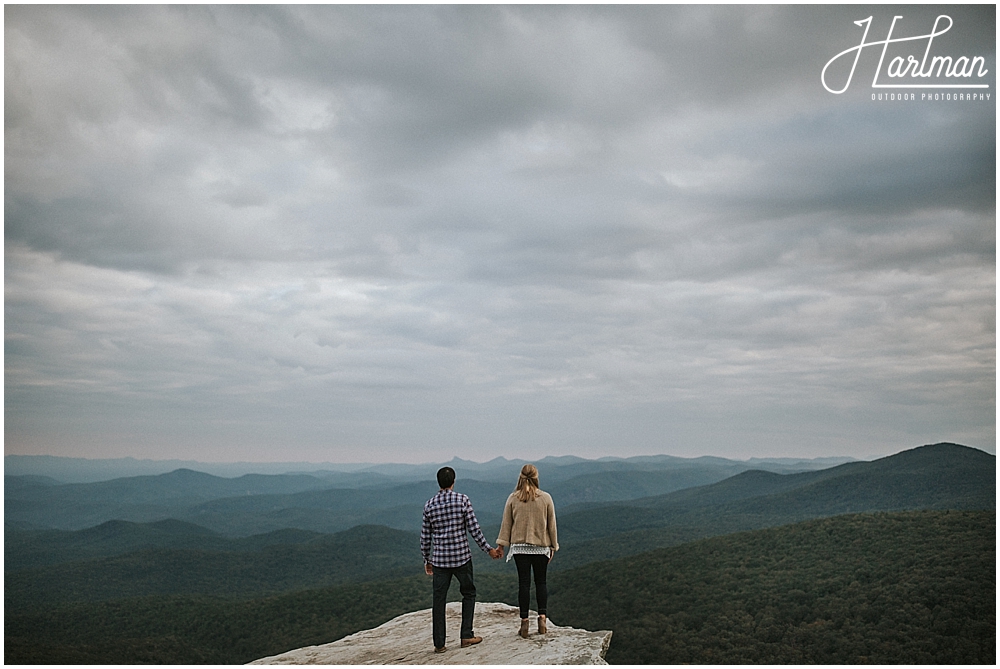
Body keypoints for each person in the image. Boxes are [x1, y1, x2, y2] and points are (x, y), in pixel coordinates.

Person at [420, 466, 502, 653]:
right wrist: (488, 549)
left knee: (439, 600)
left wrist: (427, 559)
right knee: (469, 593)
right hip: (462, 558)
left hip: (440, 561)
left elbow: (425, 537)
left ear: (439, 483)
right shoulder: (462, 500)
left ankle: (439, 644)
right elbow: (474, 529)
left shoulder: (429, 505)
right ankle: (466, 635)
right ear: (453, 481)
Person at [494, 463, 559, 638]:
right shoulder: (546, 498)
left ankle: (524, 623)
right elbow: (552, 525)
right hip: (541, 546)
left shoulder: (513, 498)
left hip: (520, 547)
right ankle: (542, 619)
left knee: (524, 583)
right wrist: (553, 546)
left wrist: (501, 546)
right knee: (541, 583)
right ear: (536, 477)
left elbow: (506, 524)